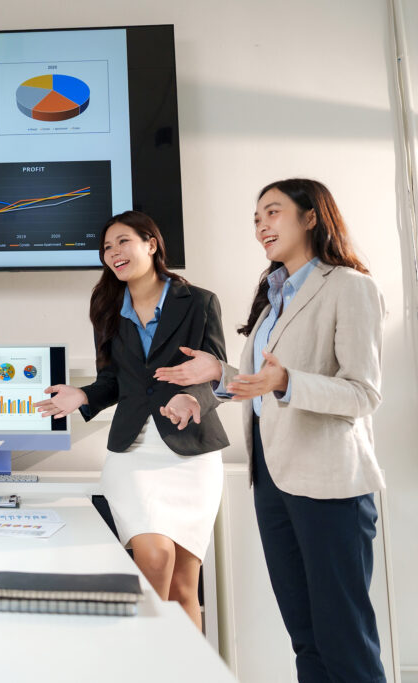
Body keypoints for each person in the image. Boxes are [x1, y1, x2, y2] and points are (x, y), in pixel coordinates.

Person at [155, 179, 386, 682]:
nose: (261, 225)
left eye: (273, 212)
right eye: (256, 218)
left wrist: (286, 381)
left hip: (328, 486)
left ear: (310, 218)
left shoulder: (350, 286)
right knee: (304, 637)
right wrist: (220, 375)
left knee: (343, 638)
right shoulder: (271, 300)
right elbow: (266, 385)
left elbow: (362, 394)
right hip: (273, 482)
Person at [34, 211, 228, 628]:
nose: (113, 253)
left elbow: (215, 370)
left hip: (190, 450)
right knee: (154, 556)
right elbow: (113, 380)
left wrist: (189, 398)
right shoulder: (106, 308)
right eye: (106, 247)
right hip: (134, 451)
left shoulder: (198, 301)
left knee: (183, 586)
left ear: (151, 244)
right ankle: (145, 660)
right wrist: (84, 394)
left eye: (122, 241)